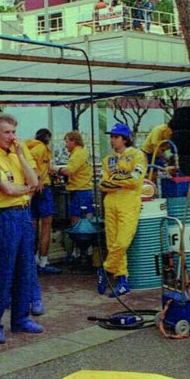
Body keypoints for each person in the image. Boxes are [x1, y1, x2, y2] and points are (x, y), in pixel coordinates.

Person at [0, 113, 43, 344]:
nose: (12, 137)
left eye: (13, 132)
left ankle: (21, 318)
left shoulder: (16, 153)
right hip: (6, 215)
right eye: (7, 132)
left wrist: (21, 156)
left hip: (23, 214)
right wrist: (26, 188)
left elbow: (35, 182)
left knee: (25, 267)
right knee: (3, 270)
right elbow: (8, 189)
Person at [98, 123, 147, 297]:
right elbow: (102, 184)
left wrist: (115, 179)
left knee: (122, 242)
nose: (112, 140)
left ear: (124, 139)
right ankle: (122, 281)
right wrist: (121, 179)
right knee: (112, 243)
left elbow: (135, 179)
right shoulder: (107, 159)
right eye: (111, 137)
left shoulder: (137, 155)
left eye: (115, 137)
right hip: (110, 203)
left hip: (129, 204)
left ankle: (104, 270)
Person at [26, 129, 60, 276]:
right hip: (43, 189)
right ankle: (43, 261)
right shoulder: (41, 148)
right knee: (46, 224)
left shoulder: (31, 146)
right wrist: (39, 178)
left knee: (33, 224)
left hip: (33, 189)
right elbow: (33, 162)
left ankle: (32, 260)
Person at [53, 131, 94, 239]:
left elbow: (69, 171)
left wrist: (53, 169)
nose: (65, 145)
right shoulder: (81, 153)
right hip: (84, 190)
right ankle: (86, 250)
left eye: (66, 142)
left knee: (77, 223)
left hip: (80, 191)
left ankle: (79, 248)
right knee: (86, 221)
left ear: (73, 141)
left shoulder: (78, 154)